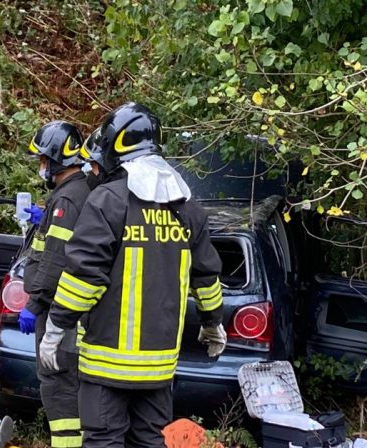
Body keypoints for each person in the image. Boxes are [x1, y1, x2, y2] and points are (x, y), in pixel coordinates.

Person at [41, 102, 228, 448]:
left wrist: (56, 326)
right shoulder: (187, 208)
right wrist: (213, 322)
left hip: (106, 364)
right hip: (158, 369)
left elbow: (84, 276)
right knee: (150, 442)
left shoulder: (108, 201)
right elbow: (206, 277)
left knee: (103, 441)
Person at [17, 121, 92, 448]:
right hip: (60, 306)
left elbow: (57, 259)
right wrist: (42, 218)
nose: (41, 167)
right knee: (61, 379)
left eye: (43, 160)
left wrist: (34, 304)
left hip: (55, 309)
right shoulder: (71, 193)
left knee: (58, 381)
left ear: (57, 159)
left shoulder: (69, 199)